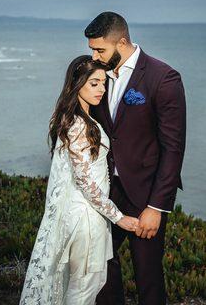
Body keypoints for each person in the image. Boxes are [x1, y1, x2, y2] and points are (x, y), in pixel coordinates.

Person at [19, 55, 139, 305]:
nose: (101, 89)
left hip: (81, 215)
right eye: (94, 83)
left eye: (104, 83)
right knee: (83, 290)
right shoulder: (79, 126)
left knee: (82, 287)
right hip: (85, 219)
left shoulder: (74, 119)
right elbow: (86, 183)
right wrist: (120, 218)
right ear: (78, 83)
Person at [86, 12, 186, 305]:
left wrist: (156, 207)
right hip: (107, 191)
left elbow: (173, 149)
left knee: (148, 277)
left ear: (123, 42)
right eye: (92, 49)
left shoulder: (163, 78)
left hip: (145, 195)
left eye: (100, 49)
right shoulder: (98, 76)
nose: (94, 55)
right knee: (101, 265)